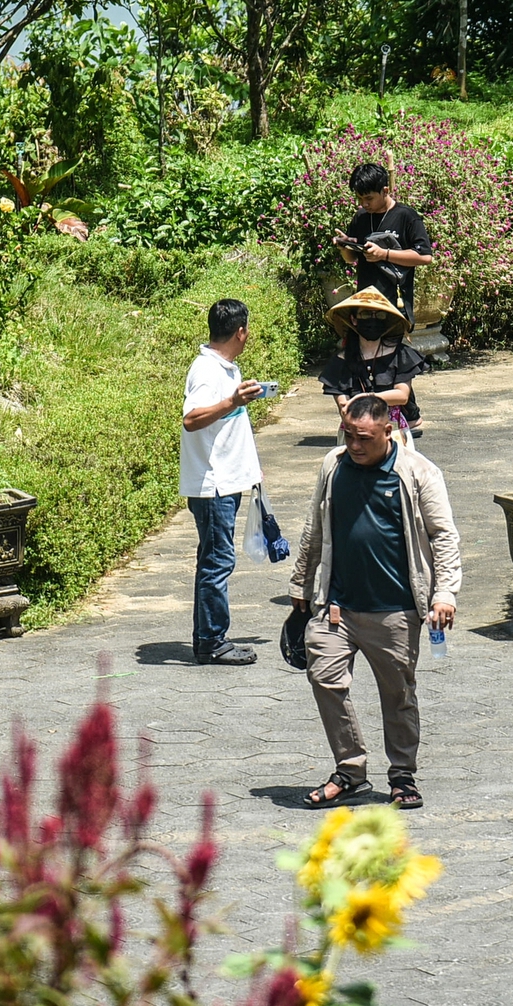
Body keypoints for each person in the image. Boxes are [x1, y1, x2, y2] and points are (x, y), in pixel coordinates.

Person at [291, 394, 460, 810]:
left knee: (397, 694)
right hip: (337, 608)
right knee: (325, 678)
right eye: (348, 435)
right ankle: (350, 771)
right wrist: (300, 584)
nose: (354, 445)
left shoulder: (418, 471)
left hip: (396, 612)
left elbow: (443, 535)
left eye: (363, 438)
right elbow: (315, 525)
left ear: (389, 431)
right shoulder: (333, 466)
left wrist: (444, 593)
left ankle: (402, 774)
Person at [180, 297, 265, 666]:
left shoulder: (227, 367)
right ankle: (212, 641)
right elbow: (192, 418)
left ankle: (209, 637)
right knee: (217, 562)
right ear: (241, 332)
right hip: (213, 487)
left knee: (213, 560)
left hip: (227, 482)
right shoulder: (207, 371)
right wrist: (231, 402)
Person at [334, 162, 433, 431]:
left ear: (385, 190)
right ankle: (402, 413)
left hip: (395, 301)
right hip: (365, 303)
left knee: (392, 357)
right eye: (360, 198)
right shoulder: (360, 218)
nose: (364, 204)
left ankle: (407, 412)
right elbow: (353, 258)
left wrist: (385, 254)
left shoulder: (406, 217)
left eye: (369, 198)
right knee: (366, 354)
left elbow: (424, 257)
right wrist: (345, 245)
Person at [318, 286, 428, 439]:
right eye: (366, 314)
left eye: (380, 315)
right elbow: (343, 405)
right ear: (354, 320)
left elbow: (402, 395)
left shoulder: (400, 354)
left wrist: (365, 398)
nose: (373, 319)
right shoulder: (341, 361)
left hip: (393, 433)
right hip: (356, 434)